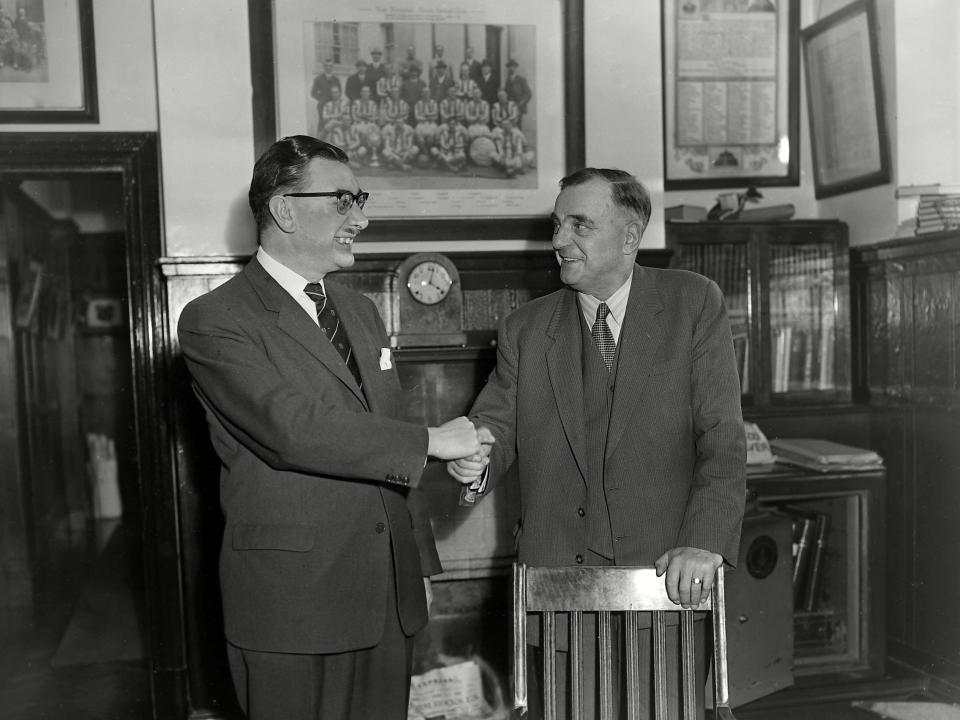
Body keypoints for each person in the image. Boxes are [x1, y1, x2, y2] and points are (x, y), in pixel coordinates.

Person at [178, 136, 491, 720]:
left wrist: (416, 562)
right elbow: (291, 428)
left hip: (385, 599)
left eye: (360, 199)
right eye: (344, 200)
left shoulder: (361, 311)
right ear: (284, 209)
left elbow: (384, 435)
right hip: (292, 603)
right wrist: (431, 442)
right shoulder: (215, 319)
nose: (362, 217)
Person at [447, 167, 746, 719]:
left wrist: (703, 540)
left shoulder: (692, 303)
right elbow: (495, 423)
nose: (560, 240)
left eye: (579, 225)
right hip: (561, 593)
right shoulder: (525, 328)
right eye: (558, 225)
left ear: (630, 237)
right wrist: (476, 454)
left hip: (669, 587)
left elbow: (722, 440)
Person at [504, 58, 533, 129]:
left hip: (519, 106)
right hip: (510, 106)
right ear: (508, 69)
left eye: (513, 67)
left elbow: (528, 94)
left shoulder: (521, 79)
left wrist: (522, 103)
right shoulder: (507, 81)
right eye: (509, 67)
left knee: (518, 126)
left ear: (516, 68)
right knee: (510, 125)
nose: (511, 68)